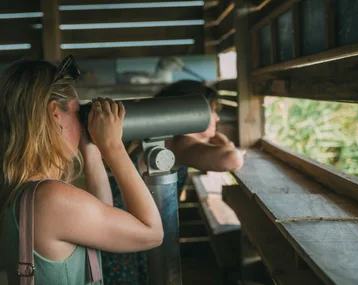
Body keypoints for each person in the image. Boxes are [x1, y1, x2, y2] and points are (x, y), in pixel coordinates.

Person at [0, 57, 163, 285]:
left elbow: (101, 216)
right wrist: (113, 147)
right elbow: (151, 233)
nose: (82, 122)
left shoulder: (17, 193)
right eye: (78, 113)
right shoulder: (51, 198)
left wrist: (92, 148)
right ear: (55, 114)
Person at [101, 79, 245, 285]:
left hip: (121, 230)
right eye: (211, 110)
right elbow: (231, 159)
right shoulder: (181, 143)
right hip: (131, 237)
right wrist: (225, 142)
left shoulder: (160, 138)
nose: (217, 117)